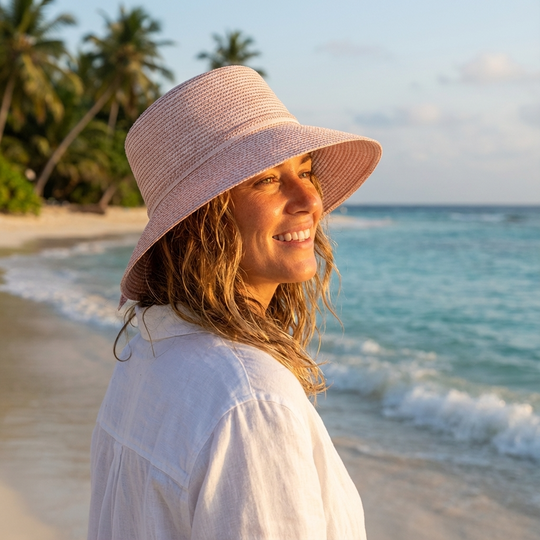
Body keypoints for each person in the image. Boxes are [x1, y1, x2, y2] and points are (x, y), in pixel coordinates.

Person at [88, 66, 382, 540]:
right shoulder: (251, 403)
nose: (310, 197)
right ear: (201, 219)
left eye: (305, 171)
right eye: (266, 179)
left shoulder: (148, 354)